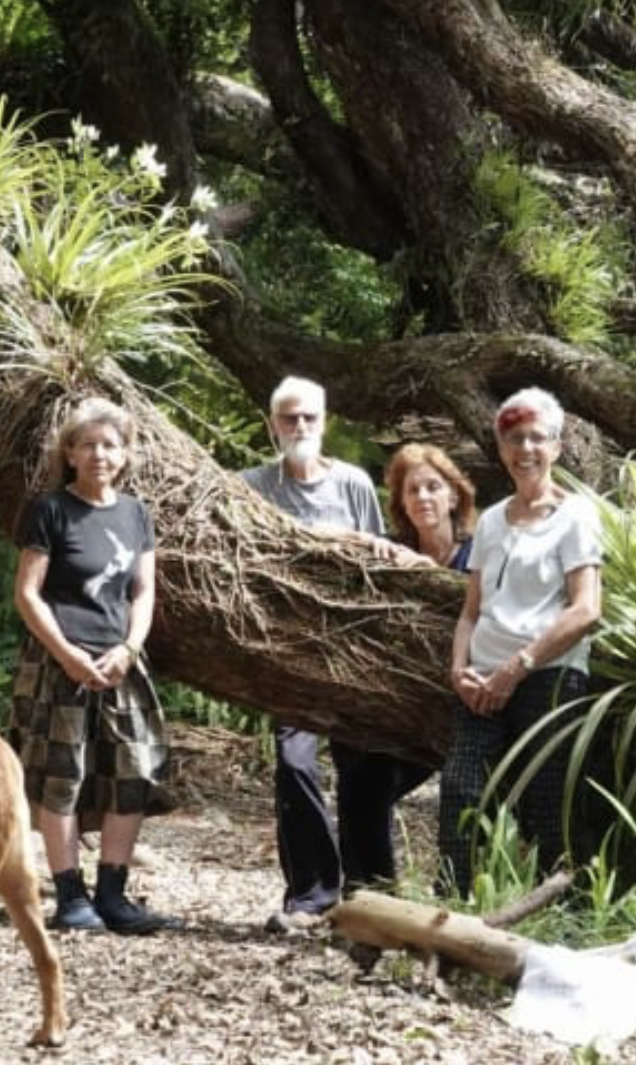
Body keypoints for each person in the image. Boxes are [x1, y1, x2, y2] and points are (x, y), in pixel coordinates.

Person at [241, 376, 427, 933]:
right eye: (289, 418)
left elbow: (375, 560)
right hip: (287, 650)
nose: (300, 427)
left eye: (309, 418)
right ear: (273, 424)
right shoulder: (250, 485)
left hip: (350, 648)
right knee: (294, 763)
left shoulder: (351, 484)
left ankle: (369, 892)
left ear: (325, 422)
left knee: (360, 768)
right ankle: (311, 893)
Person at [8, 396, 181, 935]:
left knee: (133, 773)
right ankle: (70, 896)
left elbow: (144, 591)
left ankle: (114, 894)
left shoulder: (135, 515)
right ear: (71, 453)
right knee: (61, 777)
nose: (100, 454)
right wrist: (68, 654)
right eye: (88, 445)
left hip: (120, 663)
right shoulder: (50, 510)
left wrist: (129, 648)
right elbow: (27, 593)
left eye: (110, 445)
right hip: (60, 663)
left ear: (126, 454)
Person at [439, 387, 603, 893]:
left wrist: (519, 666)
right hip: (481, 680)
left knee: (548, 801)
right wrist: (459, 669)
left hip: (548, 677)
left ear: (555, 447)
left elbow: (586, 609)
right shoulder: (490, 521)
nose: (525, 449)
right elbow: (471, 611)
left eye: (537, 438)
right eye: (515, 438)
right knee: (460, 789)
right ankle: (454, 908)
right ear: (501, 446)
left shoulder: (576, 516)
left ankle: (560, 917)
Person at [383, 442, 478, 572]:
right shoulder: (395, 550)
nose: (422, 496)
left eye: (433, 487)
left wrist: (432, 571)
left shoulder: (478, 554)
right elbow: (347, 535)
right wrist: (370, 542)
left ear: (454, 497)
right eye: (413, 490)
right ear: (402, 502)